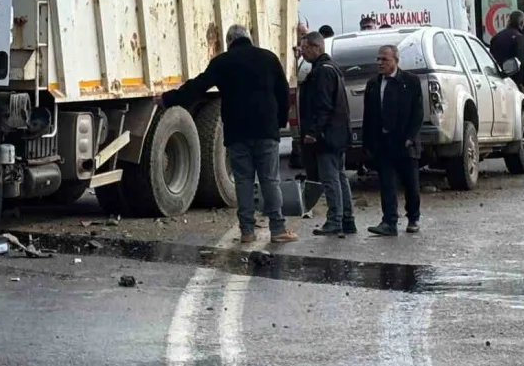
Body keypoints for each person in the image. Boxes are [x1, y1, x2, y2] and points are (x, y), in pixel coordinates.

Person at [161, 24, 299, 244]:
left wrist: (169, 99)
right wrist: (279, 122)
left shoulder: (222, 62)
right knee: (270, 180)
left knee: (243, 181)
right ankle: (278, 229)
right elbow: (283, 94)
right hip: (265, 130)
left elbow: (198, 86)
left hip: (237, 131)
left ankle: (247, 231)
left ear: (229, 42)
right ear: (249, 38)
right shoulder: (268, 58)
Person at [362, 45, 424, 236]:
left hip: (404, 142)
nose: (380, 63)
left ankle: (413, 217)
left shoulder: (410, 82)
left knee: (410, 183)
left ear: (395, 60)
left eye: (385, 60)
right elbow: (369, 115)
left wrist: (410, 137)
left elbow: (418, 113)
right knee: (387, 183)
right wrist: (368, 142)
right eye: (378, 59)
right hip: (383, 141)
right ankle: (389, 221)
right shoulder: (373, 84)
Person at [298, 32, 355, 237]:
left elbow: (323, 106)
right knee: (340, 176)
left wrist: (313, 132)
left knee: (330, 178)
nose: (301, 52)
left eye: (304, 48)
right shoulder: (333, 68)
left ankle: (335, 220)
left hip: (327, 135)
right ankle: (347, 219)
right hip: (338, 133)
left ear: (316, 47)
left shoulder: (322, 72)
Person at [490, 10, 524, 93]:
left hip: (496, 78)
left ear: (509, 21)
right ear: (522, 23)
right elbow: (522, 62)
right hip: (514, 81)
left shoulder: (496, 37)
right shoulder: (519, 38)